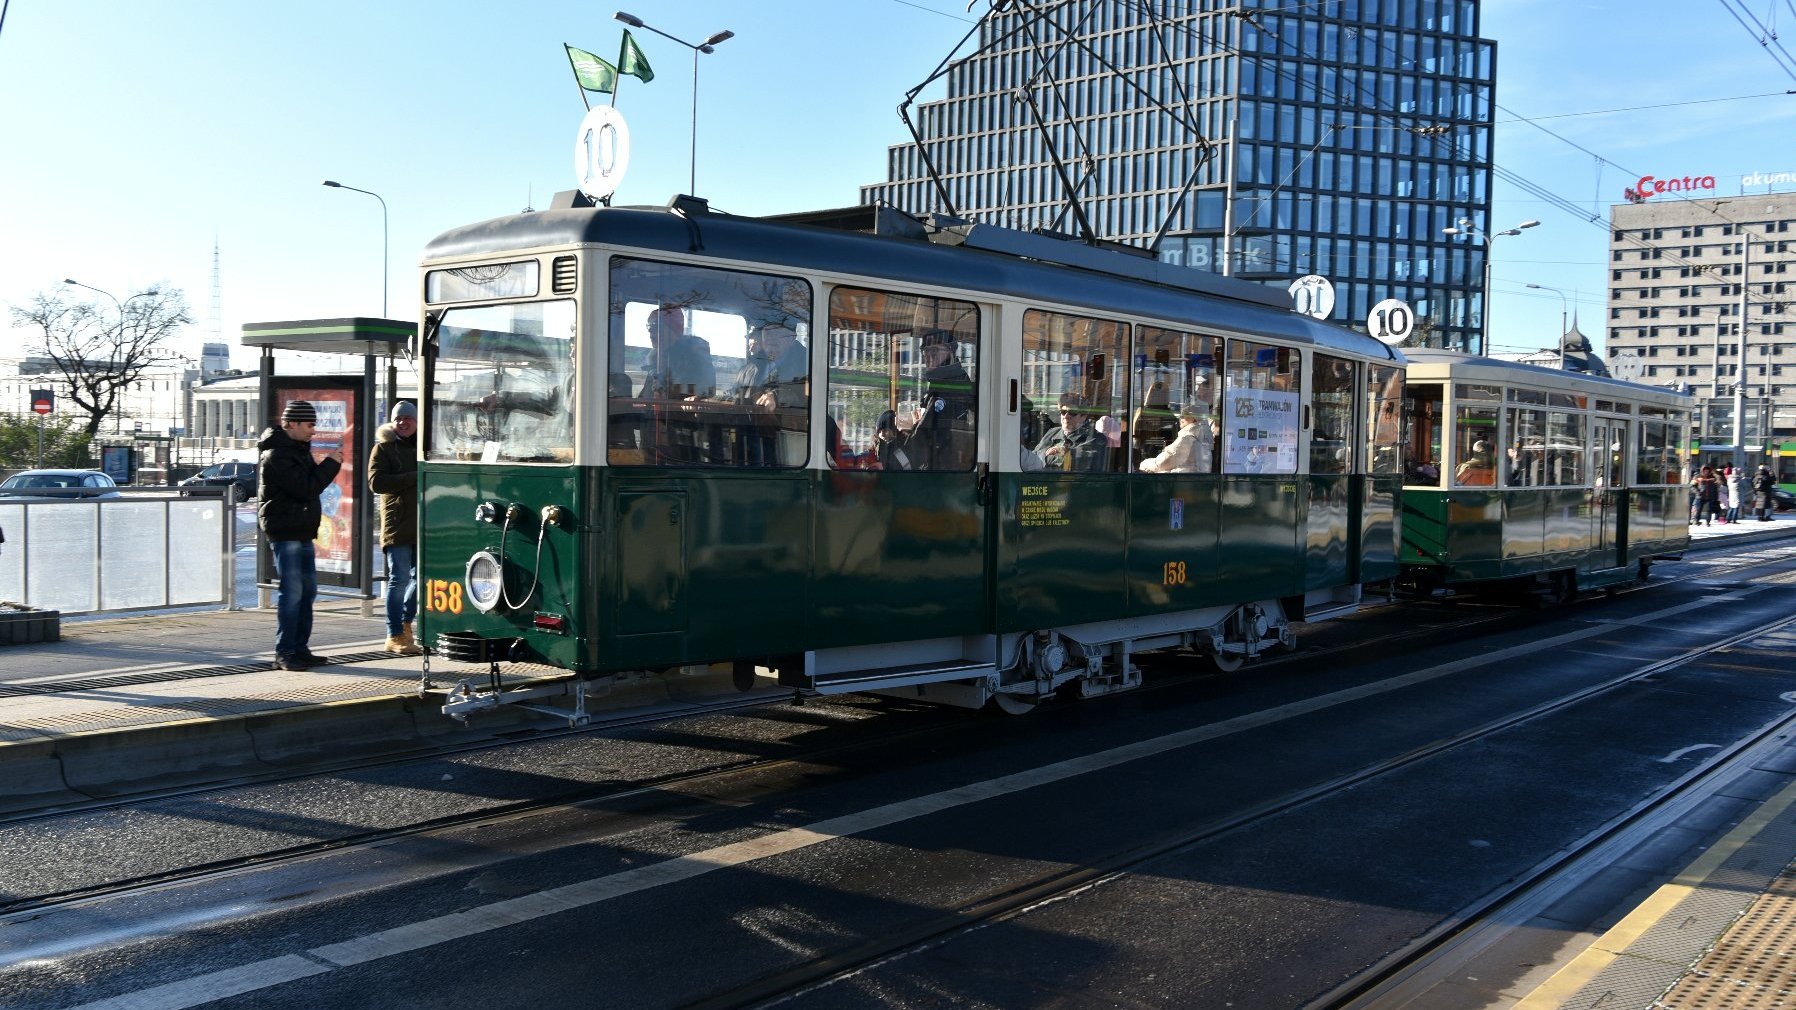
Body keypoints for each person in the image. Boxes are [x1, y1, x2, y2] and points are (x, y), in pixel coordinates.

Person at [258, 400, 341, 671]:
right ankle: (285, 652)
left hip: (301, 530)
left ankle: (299, 648)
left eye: (314, 424)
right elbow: (306, 488)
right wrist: (331, 464)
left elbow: (307, 487)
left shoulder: (296, 449)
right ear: (291, 424)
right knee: (292, 592)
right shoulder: (277, 454)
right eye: (309, 424)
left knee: (307, 591)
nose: (313, 431)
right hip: (286, 531)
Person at [369, 400, 421, 656]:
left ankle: (405, 624)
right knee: (398, 579)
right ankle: (394, 634)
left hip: (423, 525)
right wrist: (414, 476)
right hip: (398, 524)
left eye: (408, 419)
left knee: (420, 579)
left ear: (416, 422)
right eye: (399, 419)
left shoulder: (424, 448)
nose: (403, 422)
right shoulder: (383, 448)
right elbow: (376, 482)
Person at [906, 329, 974, 470]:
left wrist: (891, 463)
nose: (928, 356)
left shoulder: (952, 387)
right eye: (925, 352)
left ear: (950, 352)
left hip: (947, 473)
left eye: (934, 351)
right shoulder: (940, 385)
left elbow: (923, 439)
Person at [641, 304, 715, 400]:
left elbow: (707, 389)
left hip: (681, 413)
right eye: (649, 326)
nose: (650, 331)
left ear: (673, 329)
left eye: (655, 326)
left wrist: (667, 388)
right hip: (651, 415)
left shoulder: (693, 356)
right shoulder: (656, 360)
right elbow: (645, 397)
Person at [1029, 393, 1107, 472]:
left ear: (1084, 416)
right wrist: (1050, 454)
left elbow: (1074, 463)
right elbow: (1031, 458)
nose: (1066, 416)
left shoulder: (1096, 438)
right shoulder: (1052, 432)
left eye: (1072, 412)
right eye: (1063, 412)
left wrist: (1060, 451)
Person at [1138, 411, 1212, 473]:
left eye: (1185, 414)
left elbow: (1163, 463)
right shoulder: (1201, 436)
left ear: (1195, 418)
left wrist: (1144, 463)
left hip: (1183, 483)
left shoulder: (1187, 437)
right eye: (1181, 414)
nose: (1181, 417)